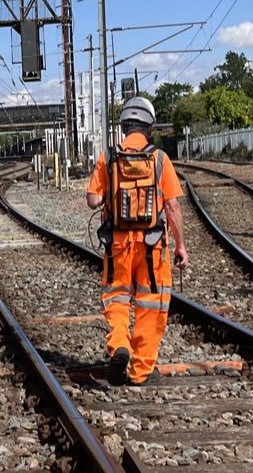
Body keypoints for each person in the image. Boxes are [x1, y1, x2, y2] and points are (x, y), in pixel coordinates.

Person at [86, 97, 190, 386]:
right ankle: (141, 370)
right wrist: (180, 244)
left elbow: (93, 200)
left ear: (123, 127)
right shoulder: (160, 159)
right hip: (152, 245)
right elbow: (172, 207)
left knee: (117, 298)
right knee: (151, 304)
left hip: (117, 244)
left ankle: (120, 344)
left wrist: (109, 192)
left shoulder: (108, 157)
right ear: (150, 128)